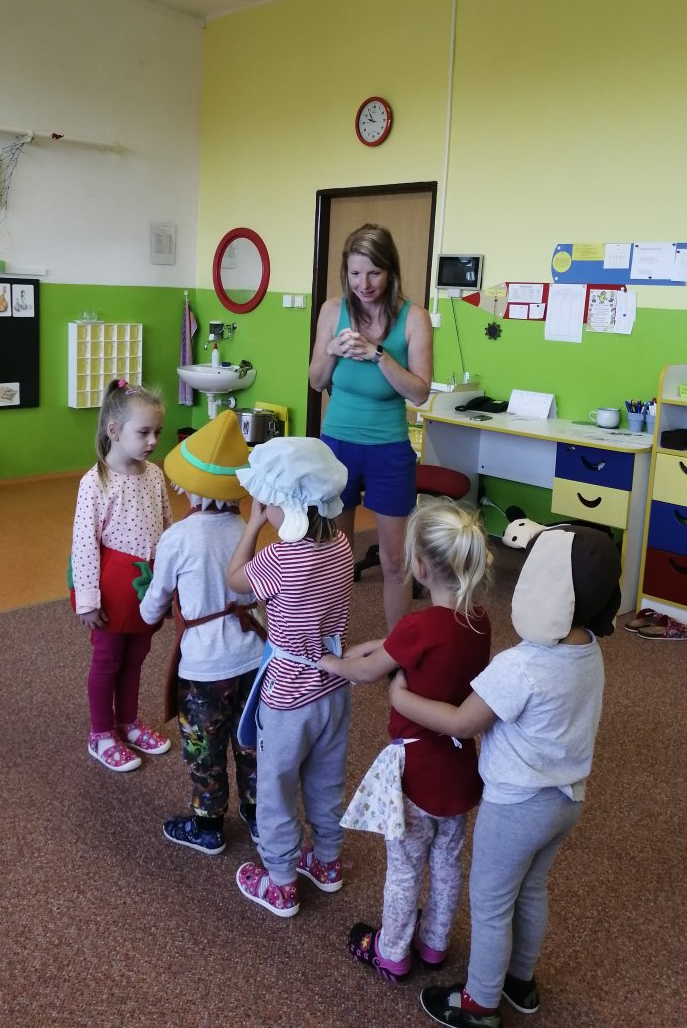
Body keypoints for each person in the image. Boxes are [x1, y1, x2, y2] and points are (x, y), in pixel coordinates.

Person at [389, 525, 621, 1028]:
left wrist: (401, 698)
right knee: (531, 889)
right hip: (566, 800)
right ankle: (520, 981)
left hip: (516, 805)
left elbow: (461, 722)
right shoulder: (589, 650)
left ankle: (478, 1004)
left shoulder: (521, 666)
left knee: (492, 903)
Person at [319, 500, 492, 981]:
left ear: (419, 566)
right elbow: (419, 645)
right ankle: (434, 943)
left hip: (416, 775)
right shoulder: (480, 621)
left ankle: (392, 950)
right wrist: (378, 645)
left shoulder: (418, 627)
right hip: (459, 773)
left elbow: (367, 672)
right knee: (447, 861)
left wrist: (331, 662)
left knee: (405, 866)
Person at [226, 436, 354, 918]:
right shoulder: (342, 545)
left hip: (287, 696)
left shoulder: (280, 558)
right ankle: (327, 861)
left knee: (276, 788)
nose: (263, 507)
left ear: (288, 506)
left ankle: (280, 881)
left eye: (267, 501)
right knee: (326, 779)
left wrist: (253, 525)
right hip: (333, 687)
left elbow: (234, 579)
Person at [139, 410, 265, 855]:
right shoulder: (245, 531)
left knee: (204, 750)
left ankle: (208, 826)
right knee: (251, 744)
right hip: (253, 658)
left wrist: (147, 605)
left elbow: (153, 607)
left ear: (190, 488)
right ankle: (259, 817)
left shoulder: (177, 538)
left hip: (204, 670)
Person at [308, 223, 433, 631]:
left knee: (395, 561)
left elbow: (419, 392)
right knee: (333, 556)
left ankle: (399, 651)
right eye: (355, 273)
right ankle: (330, 642)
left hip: (389, 448)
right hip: (336, 446)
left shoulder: (414, 318)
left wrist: (379, 354)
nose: (363, 284)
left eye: (374, 273)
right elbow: (316, 380)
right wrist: (331, 350)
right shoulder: (332, 311)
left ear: (391, 271)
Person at [70, 378, 173, 773]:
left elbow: (167, 529)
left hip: (147, 586)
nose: (153, 441)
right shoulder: (95, 482)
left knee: (136, 657)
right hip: (111, 587)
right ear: (114, 431)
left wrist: (170, 585)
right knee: (108, 659)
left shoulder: (155, 475)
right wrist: (87, 600)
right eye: (143, 432)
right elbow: (84, 544)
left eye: (157, 432)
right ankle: (101, 733)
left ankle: (128, 722)